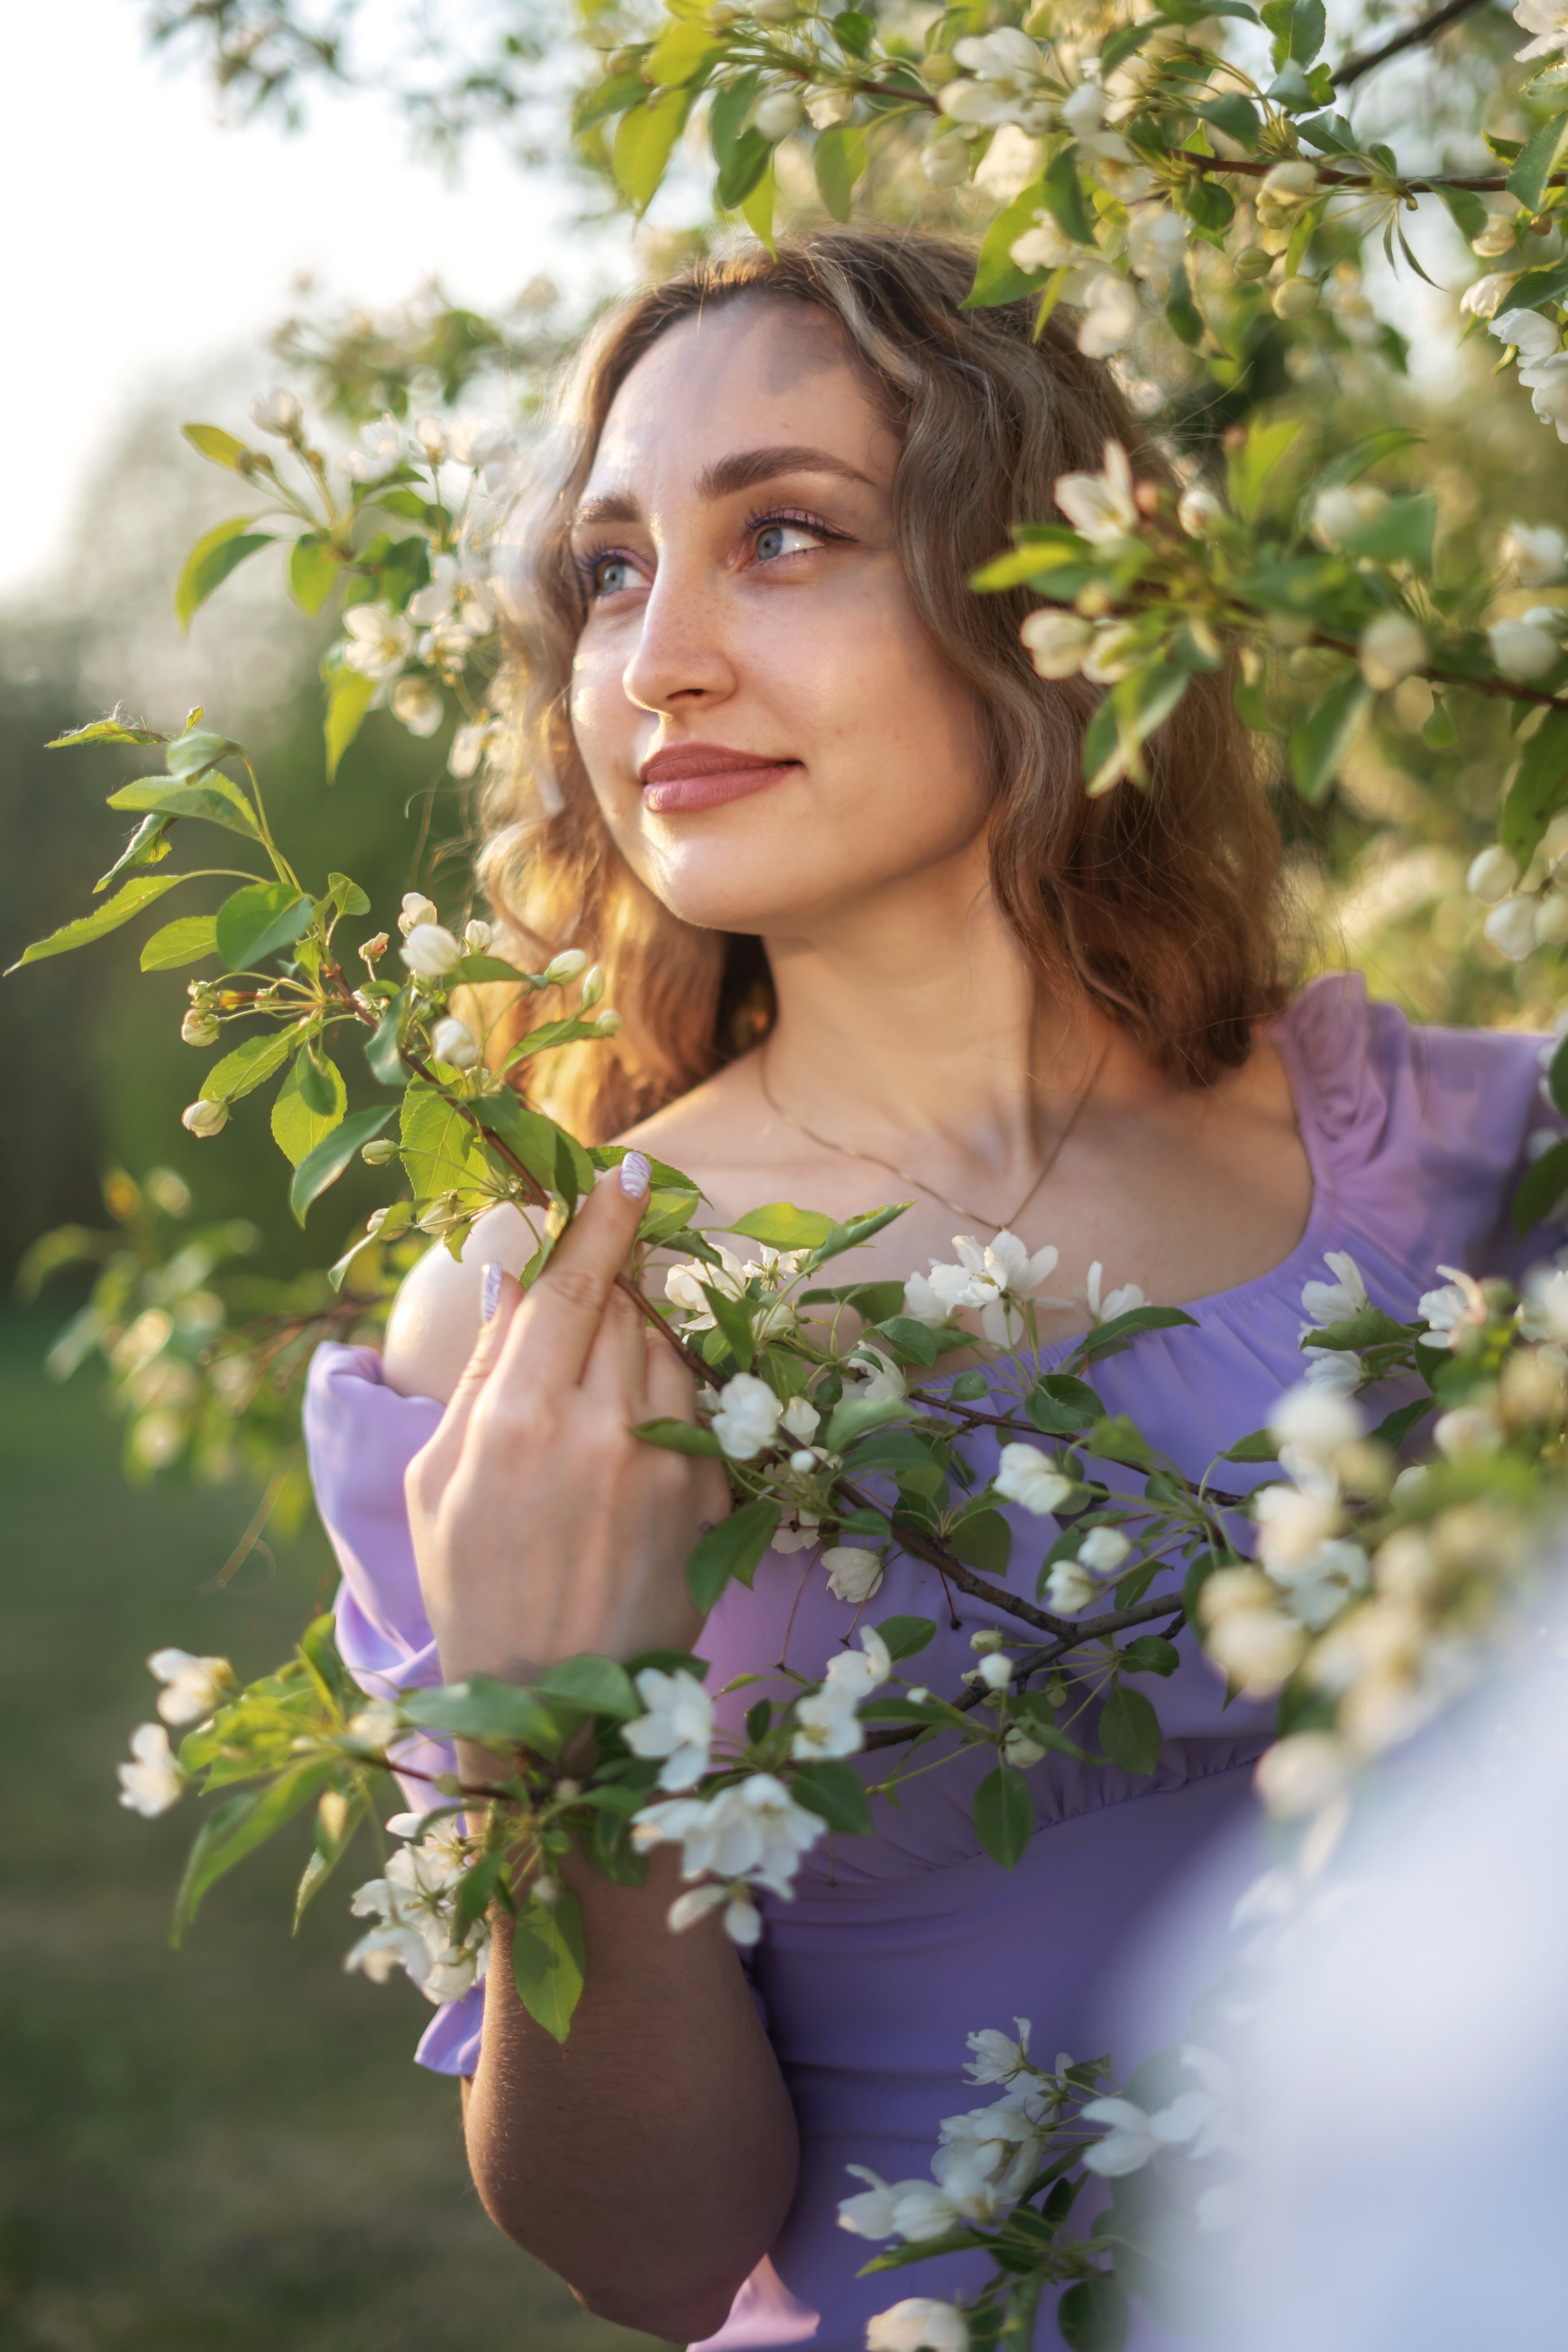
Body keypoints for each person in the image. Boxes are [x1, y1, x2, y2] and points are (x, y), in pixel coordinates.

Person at [301, 230, 1553, 2349]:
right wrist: (550, 1727)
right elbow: (647, 2253)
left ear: (1051, 598)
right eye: (612, 572)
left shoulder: (1464, 1163)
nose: (658, 662)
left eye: (781, 535)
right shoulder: (555, 1321)